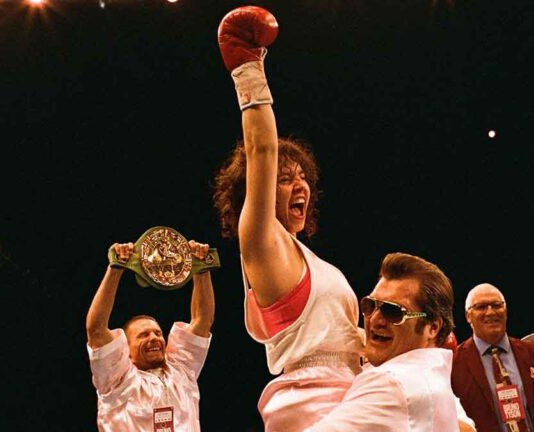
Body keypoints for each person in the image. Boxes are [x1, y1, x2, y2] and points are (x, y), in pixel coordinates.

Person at [214, 6, 363, 431]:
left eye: (303, 178)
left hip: (352, 394)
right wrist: (246, 67)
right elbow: (262, 149)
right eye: (284, 179)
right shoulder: (263, 243)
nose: (300, 186)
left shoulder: (310, 260)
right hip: (311, 406)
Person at [306, 253, 476, 432]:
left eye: (393, 312)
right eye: (370, 305)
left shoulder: (390, 382)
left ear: (432, 328)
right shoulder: (431, 375)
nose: (374, 319)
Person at [85, 241, 215, 432]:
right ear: (125, 350)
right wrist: (115, 269)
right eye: (143, 335)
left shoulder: (182, 370)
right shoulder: (116, 380)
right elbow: (96, 330)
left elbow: (202, 320)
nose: (153, 338)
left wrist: (201, 267)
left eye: (158, 333)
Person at [451, 283, 534, 432]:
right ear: (468, 316)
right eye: (481, 307)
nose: (490, 312)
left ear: (506, 311)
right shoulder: (454, 363)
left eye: (496, 305)